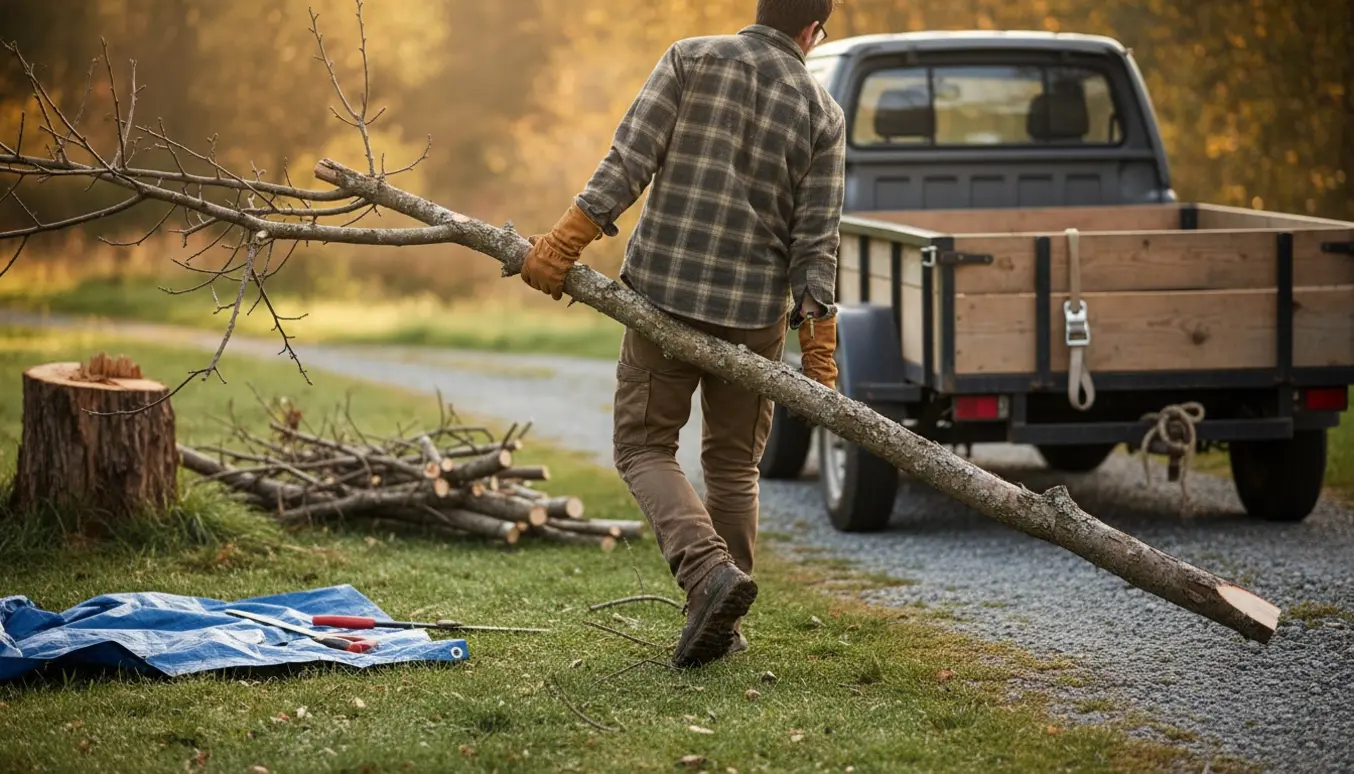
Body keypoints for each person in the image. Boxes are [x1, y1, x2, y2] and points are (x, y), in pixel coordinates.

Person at [518, 0, 845, 668]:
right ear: (812, 31)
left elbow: (628, 162)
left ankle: (707, 579)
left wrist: (565, 243)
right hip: (752, 322)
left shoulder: (691, 57)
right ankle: (724, 619)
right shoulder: (823, 113)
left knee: (643, 447)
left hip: (662, 302)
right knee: (733, 466)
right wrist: (819, 346)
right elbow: (816, 244)